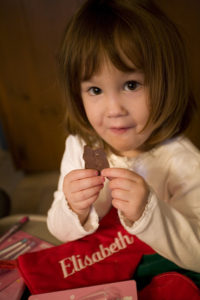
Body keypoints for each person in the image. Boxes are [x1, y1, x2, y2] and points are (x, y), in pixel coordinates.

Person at [47, 0, 200, 274]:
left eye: (131, 85)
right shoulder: (81, 146)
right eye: (95, 90)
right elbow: (60, 231)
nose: (114, 110)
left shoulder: (182, 161)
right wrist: (73, 207)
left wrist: (148, 212)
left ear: (166, 83)